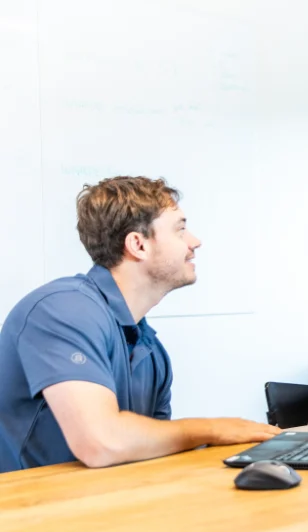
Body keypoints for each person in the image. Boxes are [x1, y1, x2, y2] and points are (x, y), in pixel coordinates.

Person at [0, 176, 280, 474]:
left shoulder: (150, 349)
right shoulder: (61, 309)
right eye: (180, 229)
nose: (194, 241)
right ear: (138, 244)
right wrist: (212, 429)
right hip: (27, 514)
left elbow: (153, 456)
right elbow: (101, 442)